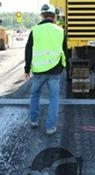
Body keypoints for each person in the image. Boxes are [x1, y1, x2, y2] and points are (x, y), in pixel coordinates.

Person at [24, 3, 67, 135]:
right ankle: (50, 127)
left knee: (35, 95)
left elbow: (28, 50)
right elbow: (64, 51)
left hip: (38, 71)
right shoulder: (61, 31)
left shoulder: (35, 30)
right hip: (54, 71)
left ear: (42, 16)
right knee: (54, 98)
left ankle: (34, 121)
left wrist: (27, 68)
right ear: (54, 16)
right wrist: (63, 67)